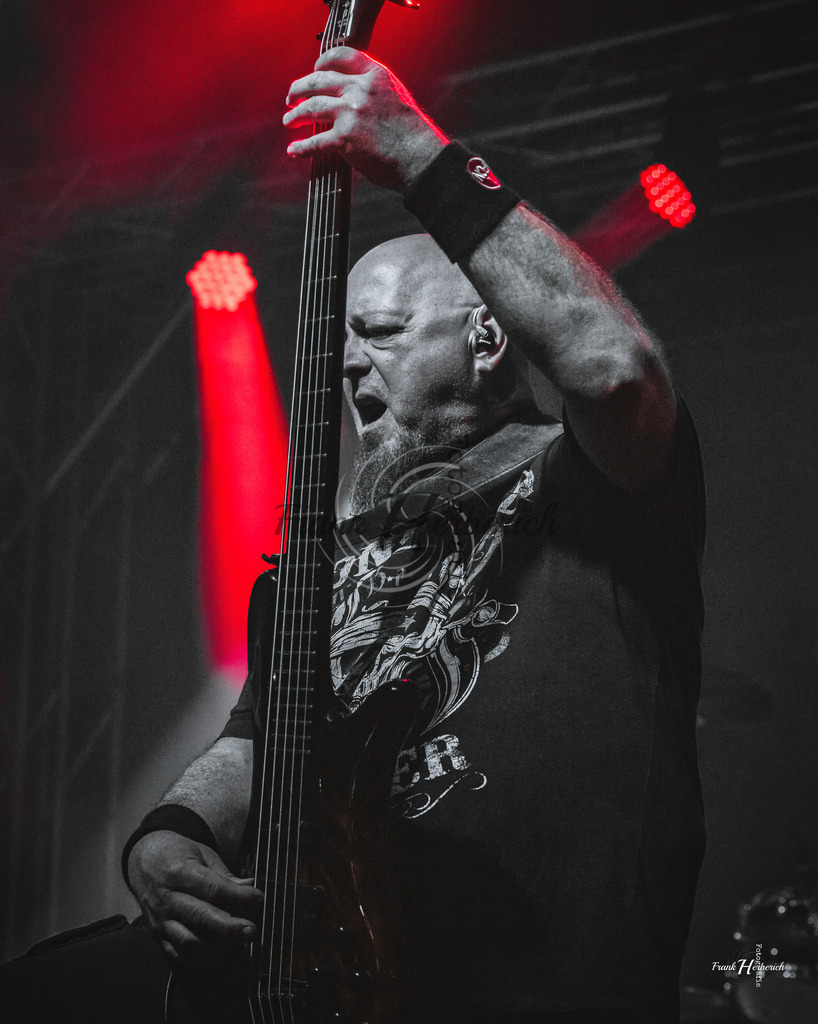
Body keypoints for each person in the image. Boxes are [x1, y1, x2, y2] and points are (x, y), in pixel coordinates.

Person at [0, 47, 706, 1024]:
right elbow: (258, 740)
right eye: (339, 344)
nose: (344, 364)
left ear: (485, 335)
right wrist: (165, 838)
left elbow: (614, 367)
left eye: (376, 331)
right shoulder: (329, 558)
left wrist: (418, 151)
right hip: (334, 984)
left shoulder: (585, 484)